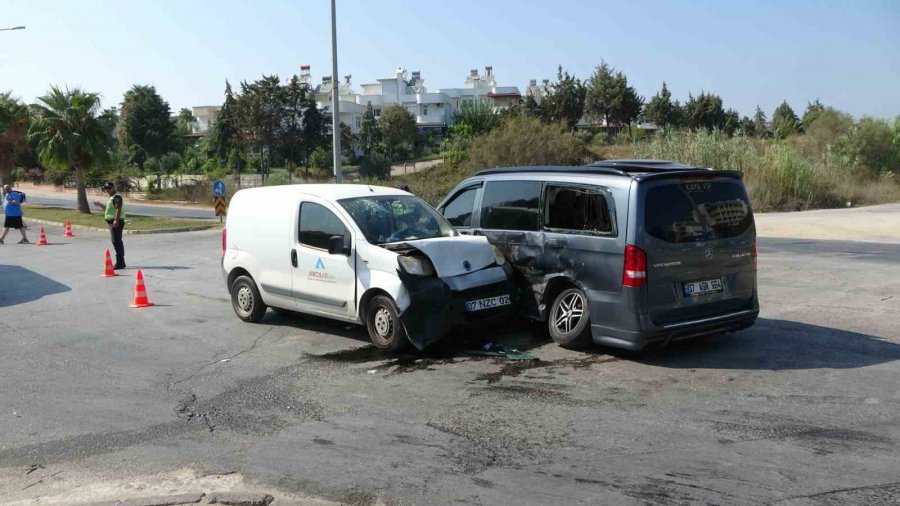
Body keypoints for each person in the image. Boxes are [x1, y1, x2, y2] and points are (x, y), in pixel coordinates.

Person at [93, 181, 126, 269]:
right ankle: (121, 262)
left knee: (116, 241)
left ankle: (120, 262)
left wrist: (116, 220)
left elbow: (118, 209)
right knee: (116, 241)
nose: (107, 190)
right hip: (111, 222)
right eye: (106, 188)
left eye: (109, 188)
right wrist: (99, 204)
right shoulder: (111, 197)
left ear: (113, 187)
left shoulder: (116, 197)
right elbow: (108, 210)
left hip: (116, 222)